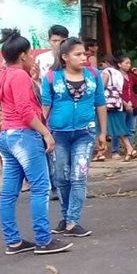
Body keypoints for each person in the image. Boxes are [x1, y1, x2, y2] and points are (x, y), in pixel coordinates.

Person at [0, 29, 72, 255]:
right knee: (40, 188)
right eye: (30, 54)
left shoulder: (3, 74)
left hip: (7, 136)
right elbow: (26, 111)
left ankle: (13, 241)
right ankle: (44, 240)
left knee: (9, 193)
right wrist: (46, 133)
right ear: (23, 56)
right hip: (24, 136)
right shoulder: (19, 76)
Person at [43, 37, 108, 237]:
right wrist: (44, 133)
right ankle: (66, 217)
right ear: (65, 57)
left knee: (78, 177)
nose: (83, 58)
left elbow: (100, 103)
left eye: (84, 54)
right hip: (58, 134)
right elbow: (45, 107)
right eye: (78, 54)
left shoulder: (93, 75)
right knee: (61, 177)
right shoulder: (51, 77)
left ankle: (72, 221)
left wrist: (103, 133)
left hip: (85, 133)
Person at [100, 56, 134, 161]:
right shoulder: (119, 74)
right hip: (117, 103)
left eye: (102, 63)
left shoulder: (106, 72)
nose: (101, 66)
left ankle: (101, 152)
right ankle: (130, 149)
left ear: (106, 63)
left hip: (106, 104)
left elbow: (102, 87)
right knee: (118, 127)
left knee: (103, 127)